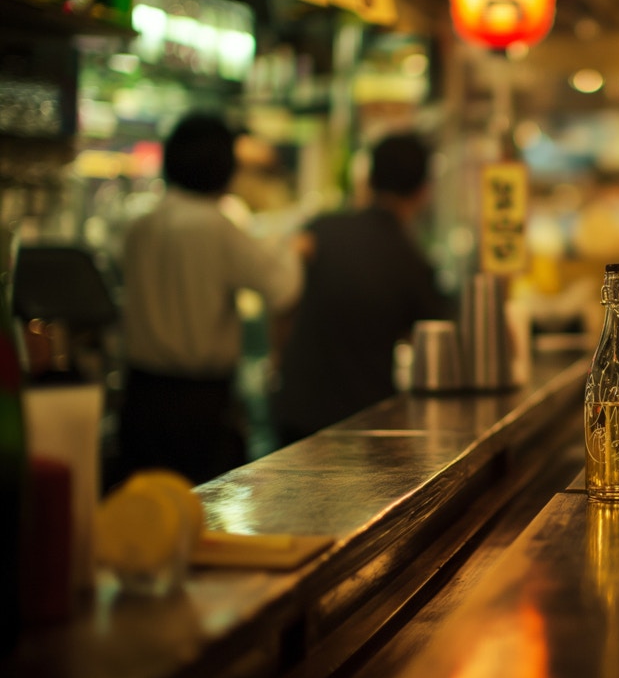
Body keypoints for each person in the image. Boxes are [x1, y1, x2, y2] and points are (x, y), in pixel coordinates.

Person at [118, 112, 303, 486]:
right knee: (200, 515)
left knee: (142, 513)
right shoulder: (218, 227)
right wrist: (294, 247)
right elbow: (284, 286)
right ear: (224, 167)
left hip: (140, 395)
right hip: (200, 404)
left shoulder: (139, 224)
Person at [271, 133, 452, 446]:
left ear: (368, 179)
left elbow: (282, 302)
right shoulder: (411, 260)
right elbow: (434, 343)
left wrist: (280, 365)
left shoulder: (320, 230)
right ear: (424, 191)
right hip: (363, 426)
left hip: (296, 414)